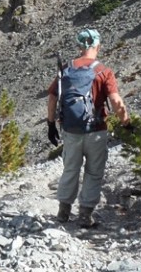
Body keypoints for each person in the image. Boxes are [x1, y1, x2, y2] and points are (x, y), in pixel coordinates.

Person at [47, 28, 130, 227]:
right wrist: (127, 123)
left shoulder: (66, 69)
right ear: (98, 46)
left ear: (79, 46)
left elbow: (52, 98)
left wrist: (51, 125)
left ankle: (63, 211)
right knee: (93, 172)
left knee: (70, 169)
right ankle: (85, 214)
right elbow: (116, 102)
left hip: (70, 130)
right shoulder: (103, 71)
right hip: (97, 130)